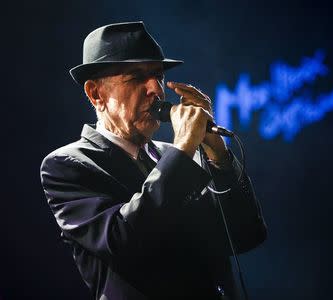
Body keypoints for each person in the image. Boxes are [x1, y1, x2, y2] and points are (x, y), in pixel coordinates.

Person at [40, 21, 267, 300]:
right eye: (136, 77)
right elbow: (124, 240)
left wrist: (218, 154)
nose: (156, 90)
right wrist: (182, 150)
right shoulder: (67, 165)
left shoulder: (175, 156)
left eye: (157, 76)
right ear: (96, 93)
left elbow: (246, 234)